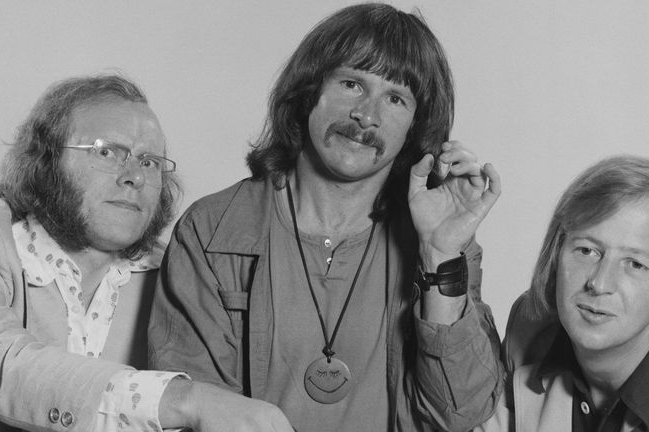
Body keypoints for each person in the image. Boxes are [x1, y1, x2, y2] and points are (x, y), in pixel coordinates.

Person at [149, 3, 503, 432]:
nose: (367, 116)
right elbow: (191, 411)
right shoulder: (212, 230)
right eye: (352, 84)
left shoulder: (442, 245)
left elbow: (460, 413)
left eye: (395, 98)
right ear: (309, 91)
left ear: (416, 124)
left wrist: (441, 254)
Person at [0, 74, 291, 432]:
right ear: (46, 159)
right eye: (106, 151)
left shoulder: (181, 272)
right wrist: (186, 400)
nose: (134, 176)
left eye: (149, 161)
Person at [475, 155, 649, 431]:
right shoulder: (530, 327)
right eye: (587, 250)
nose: (599, 284)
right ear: (556, 254)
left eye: (635, 264)